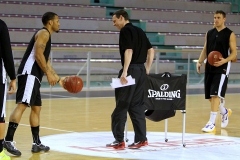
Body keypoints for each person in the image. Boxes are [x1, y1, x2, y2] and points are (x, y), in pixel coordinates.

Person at [3, 12, 65, 156]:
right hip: (29, 73)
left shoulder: (46, 36)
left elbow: (46, 60)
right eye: (57, 20)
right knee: (23, 104)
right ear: (50, 22)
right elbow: (38, 55)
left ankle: (36, 143)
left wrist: (58, 78)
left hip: (35, 76)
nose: (59, 23)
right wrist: (49, 74)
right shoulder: (44, 33)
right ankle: (8, 140)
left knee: (36, 108)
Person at [106, 9, 154, 149]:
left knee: (121, 106)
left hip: (130, 71)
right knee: (137, 107)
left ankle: (119, 140)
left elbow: (129, 50)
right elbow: (151, 50)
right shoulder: (139, 30)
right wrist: (147, 69)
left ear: (122, 18)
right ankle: (141, 139)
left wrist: (125, 71)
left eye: (115, 21)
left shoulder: (125, 31)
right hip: (140, 72)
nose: (114, 24)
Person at [196, 10, 237, 133]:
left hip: (222, 67)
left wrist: (225, 60)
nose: (216, 20)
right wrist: (200, 61)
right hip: (210, 66)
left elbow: (234, 53)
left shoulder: (230, 34)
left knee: (215, 95)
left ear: (224, 19)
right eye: (214, 17)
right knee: (210, 97)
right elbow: (205, 49)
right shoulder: (209, 33)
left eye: (218, 17)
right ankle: (224, 112)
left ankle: (211, 123)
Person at [0, 19, 17, 160]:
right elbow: (7, 53)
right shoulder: (1, 25)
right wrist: (13, 77)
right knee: (0, 116)